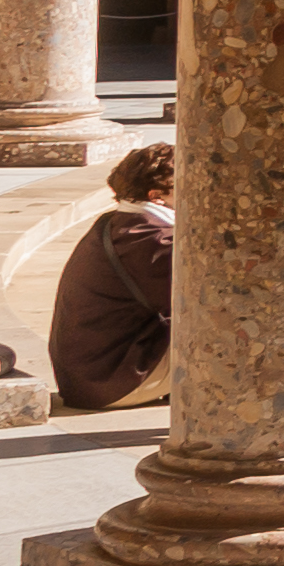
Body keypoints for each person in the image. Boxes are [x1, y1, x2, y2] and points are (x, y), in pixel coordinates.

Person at [52, 142, 176, 409]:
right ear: (157, 196)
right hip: (115, 379)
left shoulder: (121, 223)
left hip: (92, 376)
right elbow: (207, 303)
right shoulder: (152, 240)